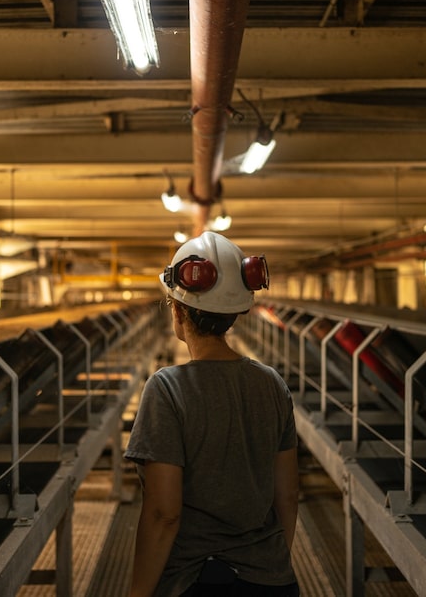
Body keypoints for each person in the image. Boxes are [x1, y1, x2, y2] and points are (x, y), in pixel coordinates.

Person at [125, 231, 299, 597]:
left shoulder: (167, 389)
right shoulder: (272, 385)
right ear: (236, 312)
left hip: (193, 580)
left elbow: (163, 514)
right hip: (271, 581)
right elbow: (288, 495)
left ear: (176, 309)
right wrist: (271, 563)